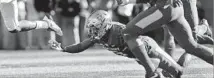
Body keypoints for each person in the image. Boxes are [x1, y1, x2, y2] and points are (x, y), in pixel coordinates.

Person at [49, 10, 184, 78]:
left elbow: (138, 39)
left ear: (105, 25)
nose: (93, 31)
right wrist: (64, 49)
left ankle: (192, 46)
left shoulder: (120, 31)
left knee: (178, 72)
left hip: (148, 49)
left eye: (96, 27)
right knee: (166, 74)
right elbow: (81, 46)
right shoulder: (101, 35)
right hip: (139, 57)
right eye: (92, 28)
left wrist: (149, 63)